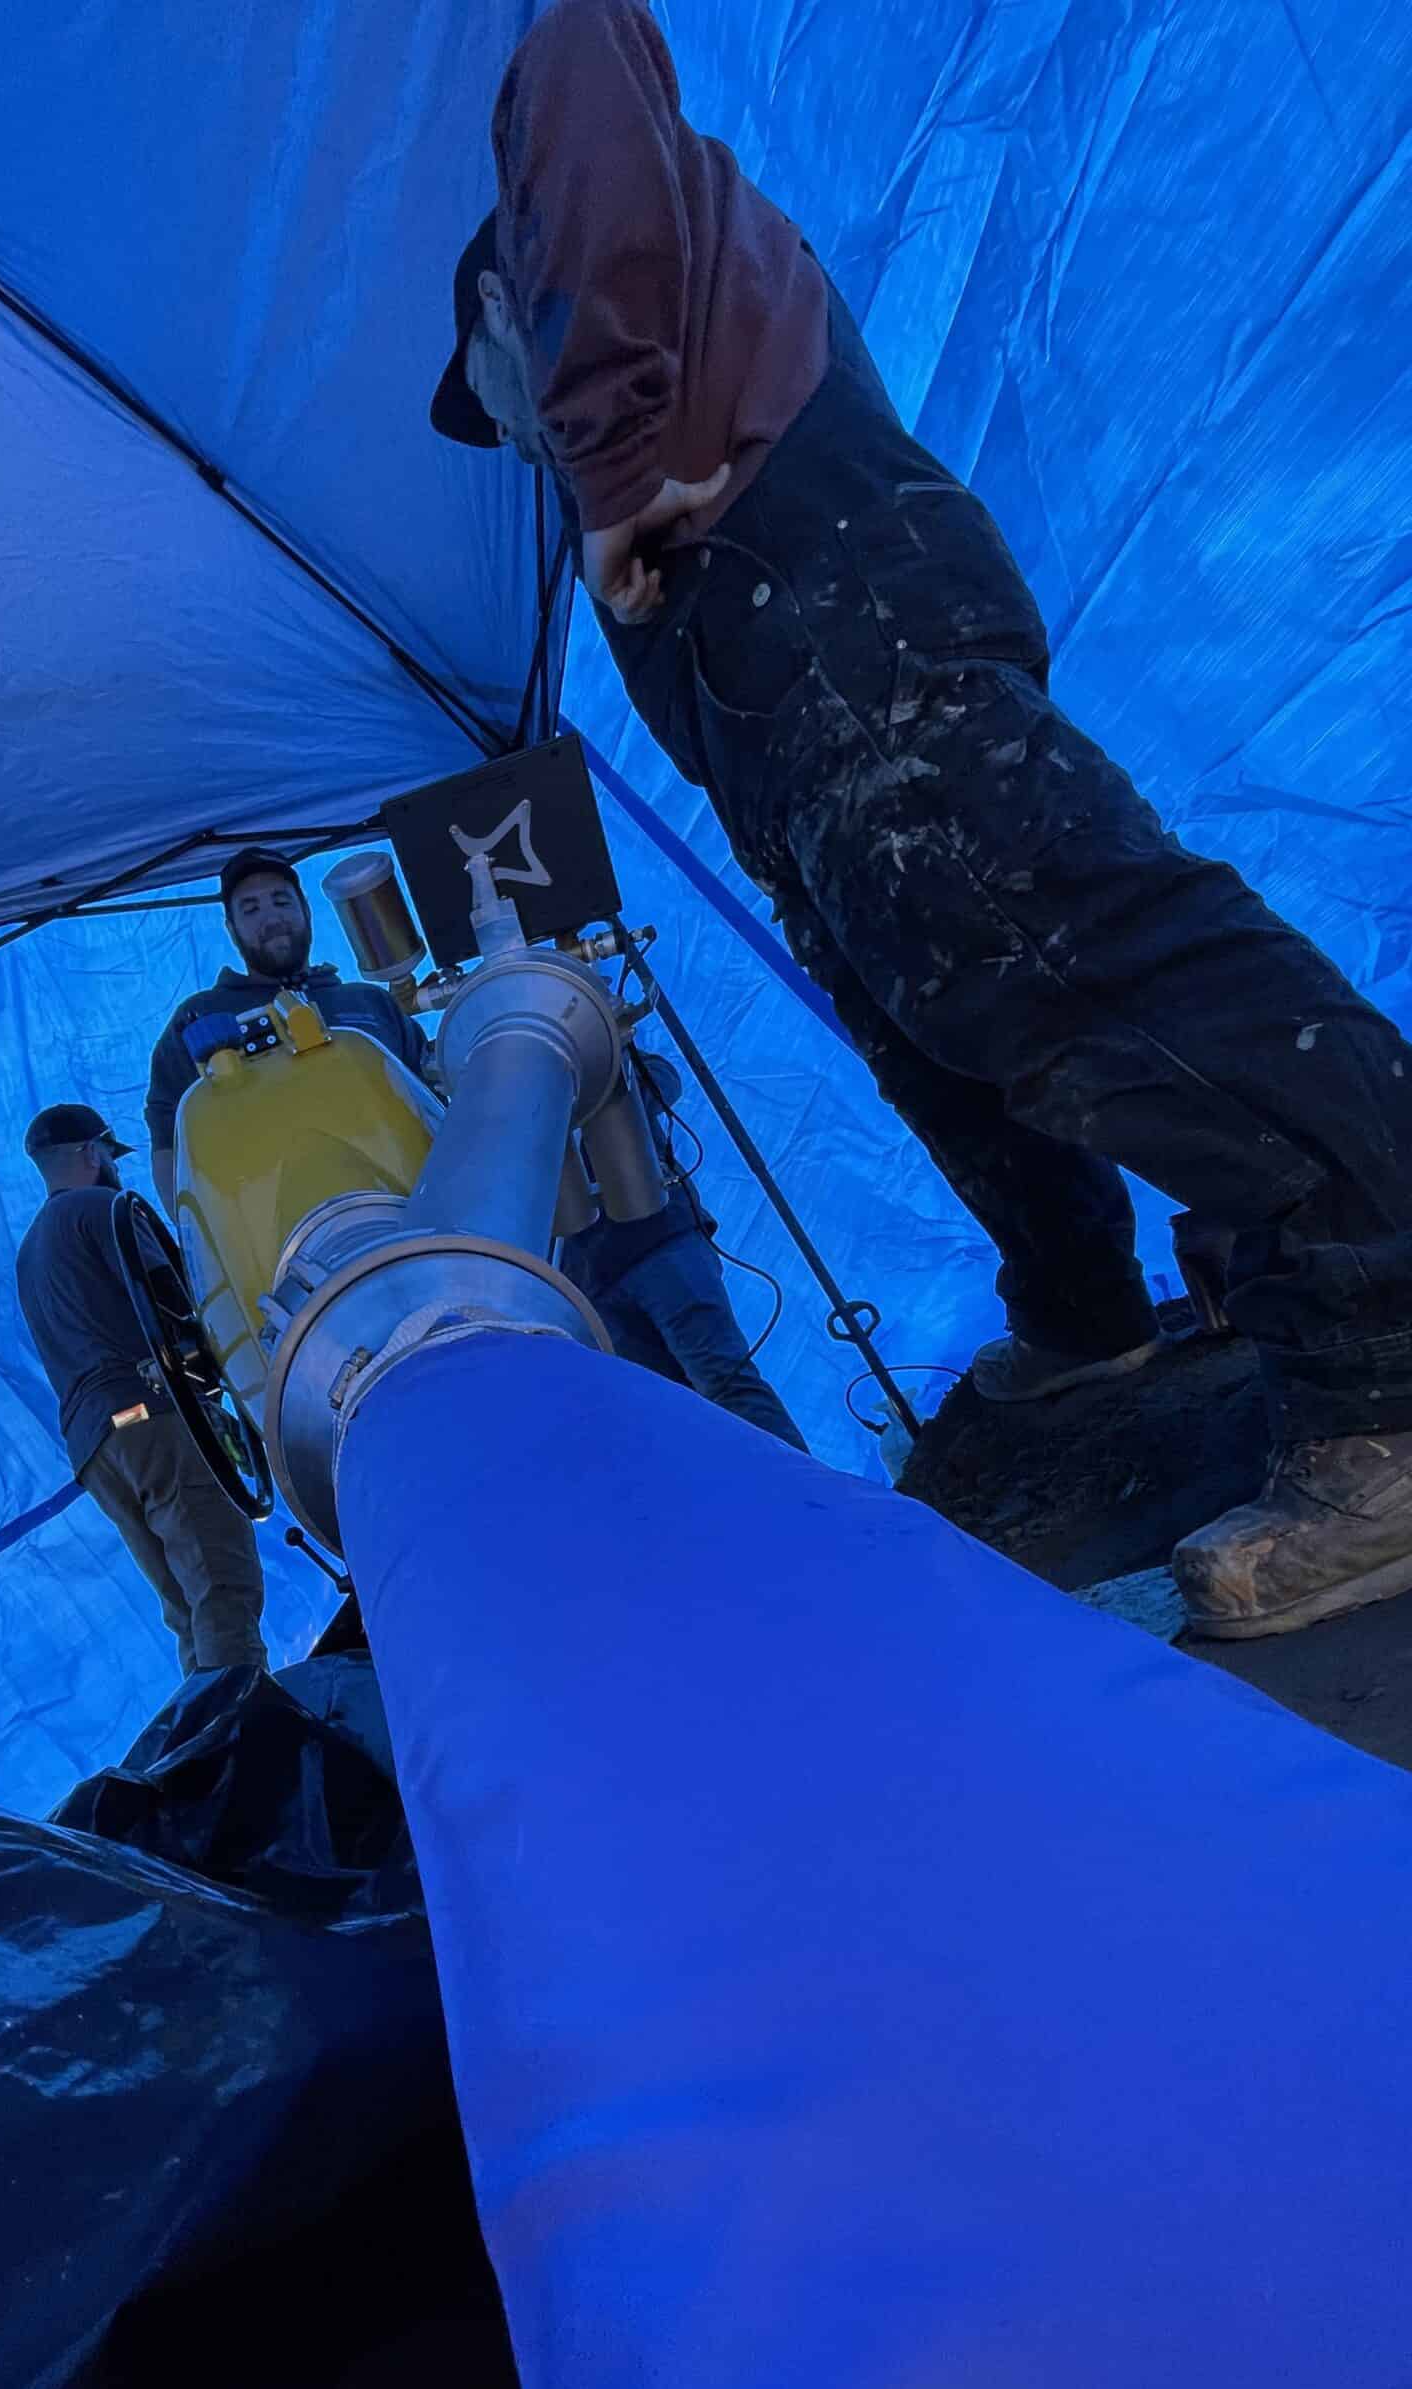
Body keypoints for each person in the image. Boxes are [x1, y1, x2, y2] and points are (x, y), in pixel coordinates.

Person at [427, 0, 1412, 1643]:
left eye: (494, 394)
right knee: (940, 1015)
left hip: (850, 636)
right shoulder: (669, 406)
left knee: (1065, 953)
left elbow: (580, 80)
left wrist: (604, 465)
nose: (514, 433)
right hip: (798, 717)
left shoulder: (603, 238)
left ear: (500, 303)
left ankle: (1391, 1382)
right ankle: (1084, 1306)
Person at [16, 1102, 267, 1678]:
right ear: (91, 1152)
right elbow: (177, 1300)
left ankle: (208, 1719)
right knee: (222, 1588)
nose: (115, 1167)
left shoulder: (29, 1254)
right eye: (111, 1155)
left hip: (97, 1449)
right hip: (152, 1414)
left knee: (187, 1609)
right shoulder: (105, 1209)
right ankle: (247, 1717)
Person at [145, 848, 432, 1213]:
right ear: (231, 930)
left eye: (281, 902)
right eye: (251, 910)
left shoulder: (370, 1002)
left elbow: (431, 1096)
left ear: (306, 911)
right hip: (279, 1228)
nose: (271, 918)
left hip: (411, 1210)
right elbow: (168, 1137)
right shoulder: (198, 1017)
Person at [561, 1053, 808, 1452]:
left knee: (722, 1380)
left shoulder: (588, 1051)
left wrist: (601, 1085)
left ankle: (799, 1488)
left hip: (658, 1243)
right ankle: (753, 1490)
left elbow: (663, 1077)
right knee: (675, 1417)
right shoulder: (490, 1100)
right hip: (593, 1281)